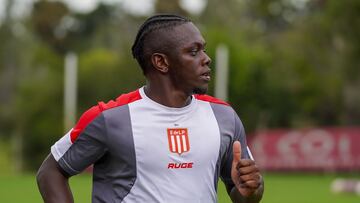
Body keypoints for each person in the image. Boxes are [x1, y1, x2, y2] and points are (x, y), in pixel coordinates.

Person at [36, 14, 264, 203]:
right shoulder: (110, 118)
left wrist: (251, 191)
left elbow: (243, 194)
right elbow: (51, 172)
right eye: (193, 52)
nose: (206, 59)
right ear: (161, 62)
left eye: (203, 50)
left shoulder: (224, 117)